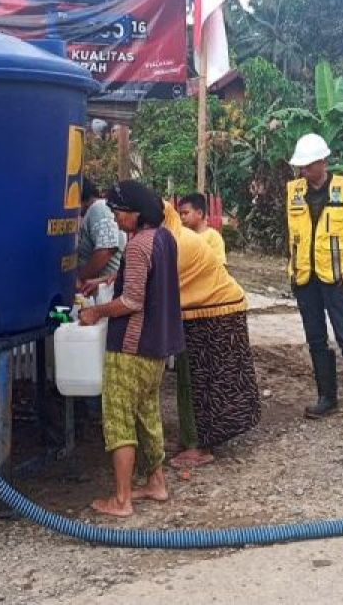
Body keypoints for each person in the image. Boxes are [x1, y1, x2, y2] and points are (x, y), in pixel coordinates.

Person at [78, 180, 184, 518]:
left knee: (119, 419)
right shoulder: (164, 238)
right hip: (157, 346)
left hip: (130, 348)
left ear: (136, 214)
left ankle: (122, 499)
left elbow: (132, 300)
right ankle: (156, 482)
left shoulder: (138, 246)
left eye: (119, 212)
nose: (115, 217)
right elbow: (149, 284)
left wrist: (95, 311)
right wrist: (111, 280)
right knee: (147, 414)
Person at [286, 133, 343, 430]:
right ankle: (327, 397)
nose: (303, 172)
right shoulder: (294, 191)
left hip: (337, 279)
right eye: (300, 167)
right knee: (315, 339)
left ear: (322, 162)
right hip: (304, 280)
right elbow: (290, 231)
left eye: (308, 166)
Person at [162, 202, 259, 469]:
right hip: (195, 313)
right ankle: (190, 438)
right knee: (188, 379)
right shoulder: (170, 237)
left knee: (210, 381)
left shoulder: (176, 243)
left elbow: (154, 287)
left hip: (217, 314)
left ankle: (203, 446)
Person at [77, 179, 124, 292]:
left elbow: (106, 250)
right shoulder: (94, 212)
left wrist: (80, 277)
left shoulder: (98, 208)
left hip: (105, 291)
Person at [177, 192, 227, 266]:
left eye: (186, 213)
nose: (182, 217)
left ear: (200, 213)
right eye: (180, 214)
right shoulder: (181, 235)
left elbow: (219, 265)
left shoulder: (213, 237)